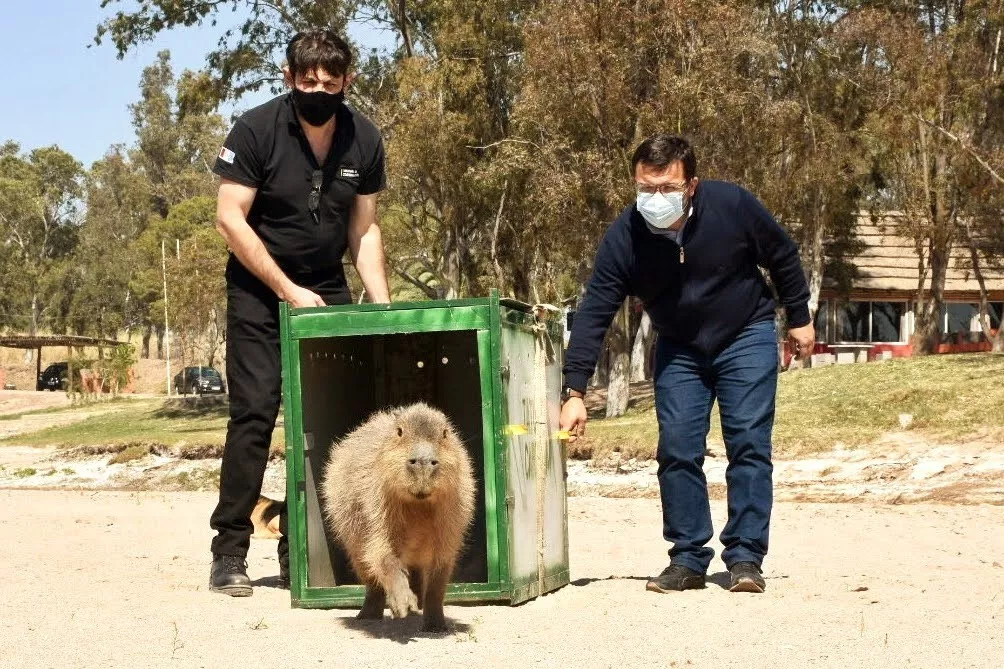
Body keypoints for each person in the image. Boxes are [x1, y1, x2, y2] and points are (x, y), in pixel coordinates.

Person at [559, 134, 814, 594]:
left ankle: (746, 558)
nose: (655, 199)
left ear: (691, 185)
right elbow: (597, 306)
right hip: (679, 344)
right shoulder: (627, 235)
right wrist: (574, 390)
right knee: (676, 448)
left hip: (746, 333)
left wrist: (799, 318)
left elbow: (783, 254)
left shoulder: (732, 205)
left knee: (749, 445)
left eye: (666, 188)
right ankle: (688, 559)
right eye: (645, 188)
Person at [208, 29, 391, 596]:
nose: (318, 90)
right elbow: (229, 219)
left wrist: (380, 310)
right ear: (290, 78)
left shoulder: (364, 137)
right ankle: (229, 552)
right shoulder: (256, 129)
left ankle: (302, 552)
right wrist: (285, 288)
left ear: (346, 82)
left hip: (325, 288)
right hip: (260, 291)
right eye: (307, 81)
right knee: (256, 415)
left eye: (330, 83)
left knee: (327, 421)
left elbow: (363, 229)